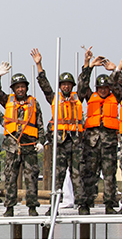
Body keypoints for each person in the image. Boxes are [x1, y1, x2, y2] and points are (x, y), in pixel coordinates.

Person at [32, 48, 86, 212]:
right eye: (63, 84)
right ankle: (54, 206)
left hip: (75, 141)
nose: (66, 86)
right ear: (60, 86)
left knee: (77, 174)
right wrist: (39, 65)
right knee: (58, 176)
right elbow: (44, 85)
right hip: (60, 142)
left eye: (68, 84)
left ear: (72, 86)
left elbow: (84, 82)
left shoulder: (78, 97)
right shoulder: (55, 98)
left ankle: (82, 205)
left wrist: (87, 63)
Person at [0, 62, 45, 217]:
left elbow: (40, 124)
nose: (20, 89)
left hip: (30, 146)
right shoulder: (8, 100)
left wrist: (41, 141)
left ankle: (32, 207)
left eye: (22, 86)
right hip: (12, 147)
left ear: (26, 88)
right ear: (13, 89)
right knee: (10, 177)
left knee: (31, 177)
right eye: (17, 87)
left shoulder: (34, 103)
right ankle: (9, 207)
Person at [77, 49, 122, 215]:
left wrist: (116, 70)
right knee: (89, 173)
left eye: (106, 88)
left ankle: (110, 204)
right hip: (91, 143)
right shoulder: (90, 96)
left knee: (109, 175)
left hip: (109, 143)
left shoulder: (115, 96)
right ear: (96, 88)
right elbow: (82, 87)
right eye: (100, 88)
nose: (103, 90)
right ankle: (85, 204)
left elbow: (120, 85)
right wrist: (88, 66)